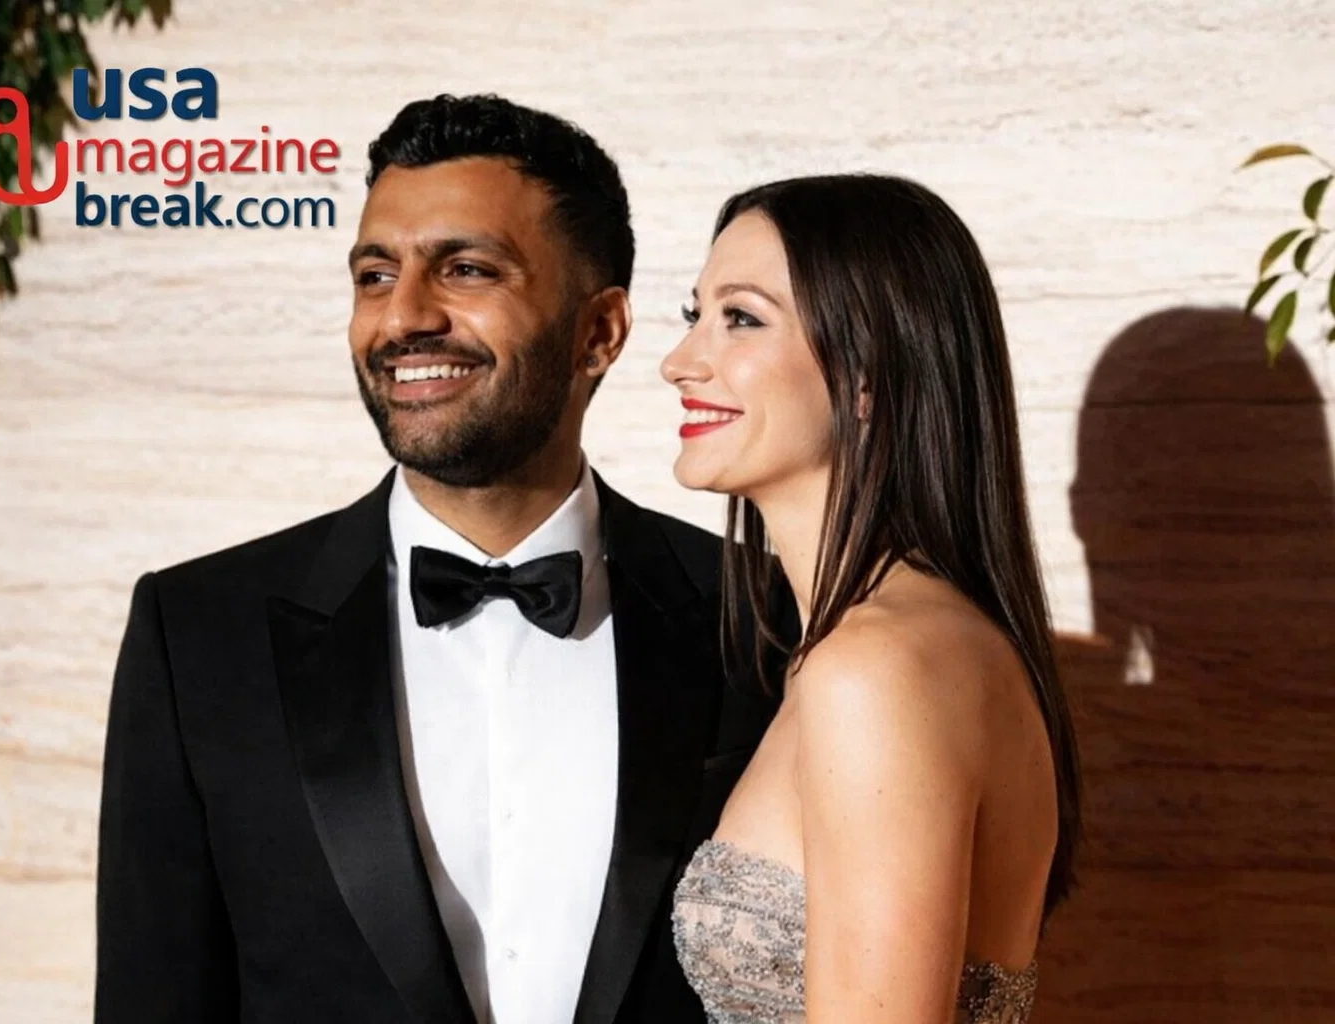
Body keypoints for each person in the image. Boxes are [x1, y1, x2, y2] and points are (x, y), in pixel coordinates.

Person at [92, 93, 780, 1024]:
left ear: (599, 332)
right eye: (375, 275)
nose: (403, 316)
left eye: (465, 269)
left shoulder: (761, 613)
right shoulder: (199, 635)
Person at [662, 174, 1083, 1024]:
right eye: (694, 314)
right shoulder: (901, 642)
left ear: (867, 375)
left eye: (741, 318)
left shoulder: (875, 666)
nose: (680, 362)